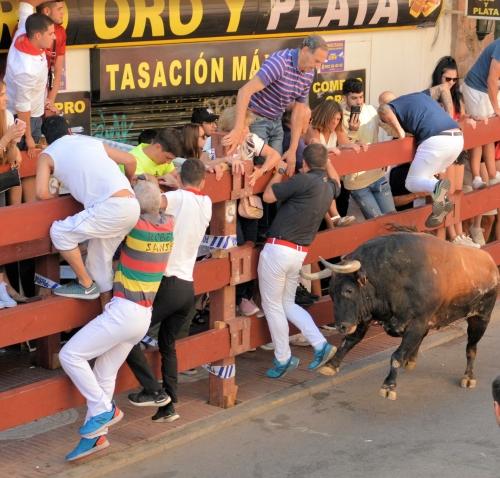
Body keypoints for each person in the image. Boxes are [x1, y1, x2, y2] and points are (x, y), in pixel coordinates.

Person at [59, 178, 173, 461]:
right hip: (142, 315)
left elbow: (113, 215)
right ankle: (96, 438)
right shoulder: (168, 224)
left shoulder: (134, 225)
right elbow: (156, 203)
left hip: (124, 311)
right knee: (105, 373)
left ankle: (102, 409)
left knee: (69, 355)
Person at [126, 158, 212, 423]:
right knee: (168, 345)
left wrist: (152, 181)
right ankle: (169, 405)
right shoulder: (206, 203)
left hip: (165, 282)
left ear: (180, 177)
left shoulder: (175, 199)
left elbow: (151, 202)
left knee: (126, 337)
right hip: (187, 286)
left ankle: (153, 390)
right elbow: (188, 191)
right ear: (203, 180)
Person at [35, 115, 139, 306]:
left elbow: (41, 193)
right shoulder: (90, 142)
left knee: (60, 232)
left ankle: (85, 283)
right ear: (69, 131)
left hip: (109, 208)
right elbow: (130, 160)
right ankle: (107, 313)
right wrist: (130, 181)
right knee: (98, 264)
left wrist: (55, 197)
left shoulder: (47, 154)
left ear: (45, 139)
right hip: (131, 205)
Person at [258, 143, 339, 378]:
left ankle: (283, 358)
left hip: (278, 250)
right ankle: (320, 345)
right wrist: (328, 161)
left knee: (273, 306)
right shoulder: (330, 187)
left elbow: (268, 196)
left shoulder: (303, 180)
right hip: (298, 253)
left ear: (304, 164)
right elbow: (337, 181)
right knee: (287, 304)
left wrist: (278, 172)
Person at [223, 36, 328, 176]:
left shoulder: (309, 73)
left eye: (321, 63)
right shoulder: (280, 63)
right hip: (256, 117)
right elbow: (244, 92)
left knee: (274, 168)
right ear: (305, 50)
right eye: (316, 61)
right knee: (256, 166)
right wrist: (238, 128)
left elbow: (299, 111)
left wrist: (292, 149)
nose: (317, 66)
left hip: (276, 120)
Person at [218, 106, 281, 316]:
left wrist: (260, 170)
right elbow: (203, 164)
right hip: (225, 208)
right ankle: (233, 300)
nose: (246, 129)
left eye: (246, 125)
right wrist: (224, 161)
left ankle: (243, 297)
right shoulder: (218, 142)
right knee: (235, 248)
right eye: (243, 125)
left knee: (250, 244)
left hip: (247, 202)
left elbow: (274, 155)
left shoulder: (251, 139)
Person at [378, 90, 463, 228]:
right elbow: (443, 88)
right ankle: (441, 202)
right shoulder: (418, 96)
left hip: (435, 140)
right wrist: (450, 116)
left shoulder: (391, 107)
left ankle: (437, 187)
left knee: (411, 183)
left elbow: (384, 109)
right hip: (457, 138)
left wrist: (400, 133)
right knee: (426, 177)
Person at [430, 56, 478, 248]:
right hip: (442, 148)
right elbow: (441, 124)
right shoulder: (433, 96)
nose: (451, 83)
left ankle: (458, 233)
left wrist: (468, 117)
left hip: (457, 147)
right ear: (439, 77)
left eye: (454, 79)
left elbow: (461, 115)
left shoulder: (457, 97)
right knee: (446, 194)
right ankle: (454, 235)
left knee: (456, 193)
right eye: (447, 79)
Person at [341, 78, 396, 219]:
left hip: (378, 175)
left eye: (361, 97)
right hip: (357, 183)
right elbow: (342, 148)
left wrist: (398, 125)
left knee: (392, 218)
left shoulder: (371, 110)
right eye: (354, 98)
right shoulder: (339, 116)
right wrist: (352, 131)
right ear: (344, 97)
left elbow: (389, 131)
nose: (359, 102)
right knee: (376, 223)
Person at [5, 10, 55, 159]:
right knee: (20, 164)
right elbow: (22, 108)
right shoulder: (26, 69)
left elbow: (27, 5)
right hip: (24, 122)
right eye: (51, 33)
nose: (55, 36)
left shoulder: (23, 31)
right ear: (38, 35)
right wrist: (28, 138)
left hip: (34, 114)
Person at [306, 99, 358, 226]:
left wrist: (353, 145)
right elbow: (316, 146)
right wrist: (334, 149)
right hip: (309, 174)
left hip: (327, 176)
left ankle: (335, 221)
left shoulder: (337, 130)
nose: (335, 122)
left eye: (338, 119)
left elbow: (348, 145)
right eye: (333, 118)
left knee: (333, 187)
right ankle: (333, 222)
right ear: (325, 116)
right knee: (325, 186)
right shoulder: (313, 129)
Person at [462, 39, 500, 189]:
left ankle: (492, 175)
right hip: (476, 88)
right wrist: (496, 109)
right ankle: (477, 178)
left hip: (488, 90)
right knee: (479, 134)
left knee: (489, 134)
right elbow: (491, 79)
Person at [28, 1, 66, 110]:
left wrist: (49, 102)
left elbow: (58, 71)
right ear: (47, 11)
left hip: (43, 94)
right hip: (25, 92)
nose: (62, 13)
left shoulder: (60, 32)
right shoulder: (27, 29)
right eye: (59, 9)